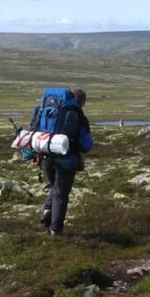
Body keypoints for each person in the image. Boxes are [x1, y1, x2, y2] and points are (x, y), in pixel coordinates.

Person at [40, 88, 94, 236]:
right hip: (65, 160)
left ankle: (47, 209)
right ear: (82, 102)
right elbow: (86, 145)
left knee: (54, 186)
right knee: (61, 194)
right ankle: (56, 231)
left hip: (45, 156)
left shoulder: (51, 110)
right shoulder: (78, 116)